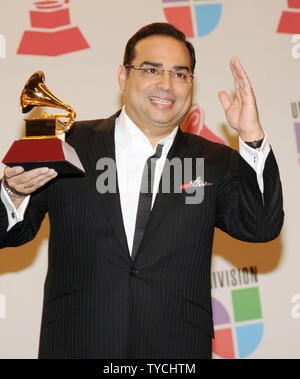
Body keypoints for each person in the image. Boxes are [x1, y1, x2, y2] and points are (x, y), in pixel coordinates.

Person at [0, 23, 283, 359]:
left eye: (180, 75)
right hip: (77, 342)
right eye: (151, 70)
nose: (166, 85)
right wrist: (13, 193)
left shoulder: (214, 161)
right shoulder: (68, 144)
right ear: (123, 76)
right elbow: (11, 233)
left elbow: (261, 227)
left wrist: (251, 135)